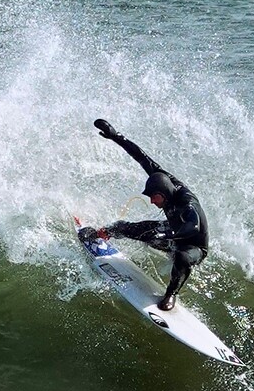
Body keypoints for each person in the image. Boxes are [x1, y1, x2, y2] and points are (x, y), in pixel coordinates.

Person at [83, 118, 208, 312]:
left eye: (155, 197)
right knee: (129, 228)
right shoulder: (164, 180)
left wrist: (167, 236)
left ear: (164, 194)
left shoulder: (187, 202)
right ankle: (101, 234)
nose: (152, 201)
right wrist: (116, 137)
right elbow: (142, 158)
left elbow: (194, 226)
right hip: (170, 232)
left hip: (193, 246)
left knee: (182, 257)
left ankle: (171, 293)